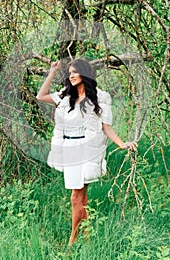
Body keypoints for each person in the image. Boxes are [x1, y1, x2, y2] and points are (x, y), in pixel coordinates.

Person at [37, 58, 137, 246]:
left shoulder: (100, 98)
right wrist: (52, 71)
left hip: (87, 150)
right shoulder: (66, 96)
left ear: (84, 73)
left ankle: (72, 241)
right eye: (69, 73)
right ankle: (87, 237)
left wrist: (122, 144)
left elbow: (106, 127)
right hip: (70, 150)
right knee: (80, 198)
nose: (71, 76)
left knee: (76, 196)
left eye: (75, 72)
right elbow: (41, 96)